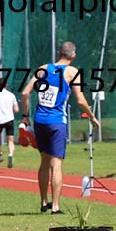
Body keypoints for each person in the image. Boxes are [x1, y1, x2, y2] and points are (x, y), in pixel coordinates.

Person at [21, 41, 100, 214]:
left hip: (40, 120)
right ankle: (55, 206)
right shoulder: (73, 72)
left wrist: (25, 117)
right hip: (57, 121)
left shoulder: (43, 68)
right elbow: (80, 100)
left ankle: (43, 202)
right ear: (74, 56)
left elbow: (25, 93)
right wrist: (92, 117)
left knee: (44, 162)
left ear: (59, 53)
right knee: (56, 164)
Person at [0, 76, 19, 168]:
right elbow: (16, 109)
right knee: (10, 140)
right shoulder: (11, 95)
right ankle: (10, 154)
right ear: (6, 85)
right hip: (9, 119)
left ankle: (0, 154)